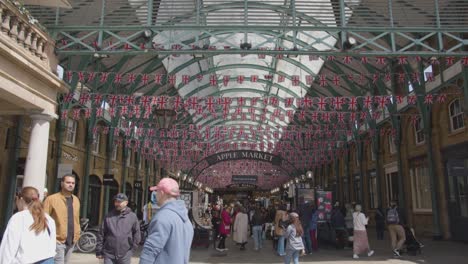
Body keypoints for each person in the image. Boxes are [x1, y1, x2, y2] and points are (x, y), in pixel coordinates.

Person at [140, 178, 194, 264]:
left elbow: (150, 250)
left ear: (161, 193)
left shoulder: (162, 217)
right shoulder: (186, 220)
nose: (155, 194)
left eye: (156, 191)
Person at [0, 186, 56, 264]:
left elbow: (9, 246)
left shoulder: (18, 218)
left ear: (21, 199)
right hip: (48, 260)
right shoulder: (48, 219)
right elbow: (52, 245)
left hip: (26, 261)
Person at [43, 174, 81, 264]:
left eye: (73, 183)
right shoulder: (51, 199)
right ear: (62, 183)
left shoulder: (76, 200)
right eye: (68, 182)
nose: (71, 185)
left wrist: (77, 234)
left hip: (71, 241)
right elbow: (43, 219)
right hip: (58, 240)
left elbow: (76, 219)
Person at [96, 193, 141, 264]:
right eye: (116, 201)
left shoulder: (132, 217)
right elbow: (101, 234)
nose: (117, 203)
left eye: (119, 202)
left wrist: (132, 250)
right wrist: (99, 251)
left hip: (125, 254)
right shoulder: (108, 216)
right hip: (109, 254)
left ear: (126, 203)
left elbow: (137, 234)